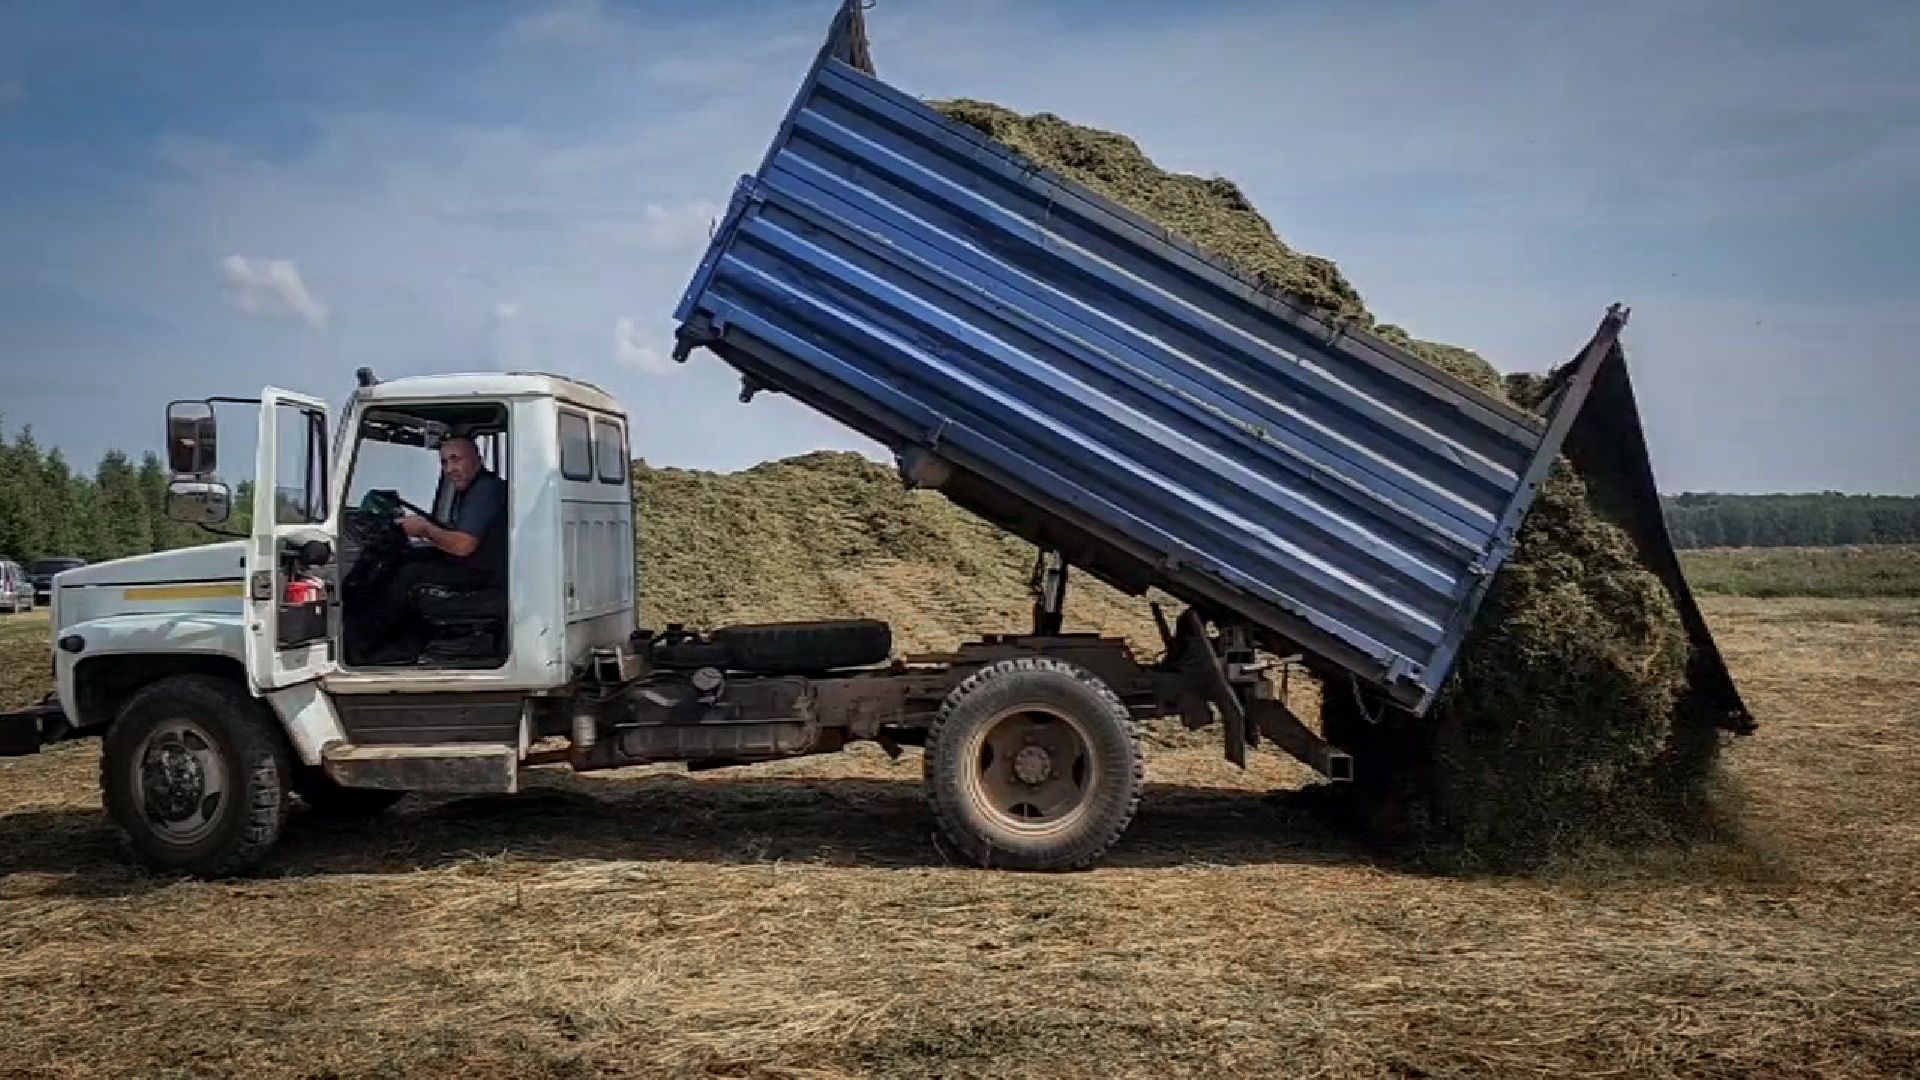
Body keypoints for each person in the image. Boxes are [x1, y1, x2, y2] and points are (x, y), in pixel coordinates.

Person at [352, 436, 507, 656]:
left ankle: (362, 649)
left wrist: (425, 529)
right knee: (410, 557)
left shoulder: (485, 491)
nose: (450, 469)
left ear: (477, 459)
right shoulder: (475, 490)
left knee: (407, 574)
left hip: (484, 576)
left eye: (456, 459)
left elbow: (463, 545)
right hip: (478, 568)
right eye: (444, 462)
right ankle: (402, 644)